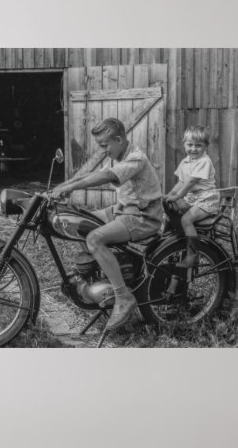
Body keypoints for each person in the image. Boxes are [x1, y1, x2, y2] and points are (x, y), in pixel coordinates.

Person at [51, 118, 163, 331]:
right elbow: (91, 173)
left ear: (119, 139)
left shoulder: (135, 157)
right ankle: (101, 278)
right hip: (123, 211)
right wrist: (62, 186)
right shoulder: (117, 155)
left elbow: (105, 176)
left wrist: (72, 188)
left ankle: (123, 296)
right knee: (83, 223)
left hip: (143, 216)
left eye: (104, 145)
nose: (102, 150)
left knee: (94, 238)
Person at [164, 125, 220, 268]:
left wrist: (177, 196)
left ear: (206, 146)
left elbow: (190, 182)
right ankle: (168, 242)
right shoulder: (185, 161)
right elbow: (181, 182)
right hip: (193, 199)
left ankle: (193, 255)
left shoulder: (204, 162)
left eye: (198, 146)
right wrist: (169, 195)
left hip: (206, 200)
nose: (193, 149)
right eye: (190, 145)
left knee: (186, 219)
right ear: (184, 144)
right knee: (171, 211)